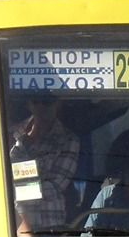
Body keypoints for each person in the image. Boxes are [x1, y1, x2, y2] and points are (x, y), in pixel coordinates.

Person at [10, 95, 80, 229]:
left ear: (58, 103)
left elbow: (55, 186)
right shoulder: (9, 134)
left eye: (47, 101)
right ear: (29, 104)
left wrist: (11, 189)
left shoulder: (68, 140)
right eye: (36, 101)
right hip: (12, 223)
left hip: (49, 223)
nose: (41, 106)